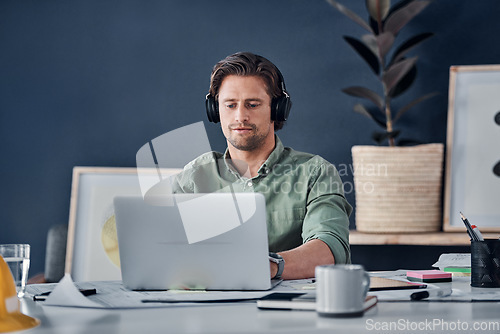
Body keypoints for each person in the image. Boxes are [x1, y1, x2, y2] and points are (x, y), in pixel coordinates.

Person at [173, 52, 352, 280]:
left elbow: (330, 249)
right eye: (230, 105)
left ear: (277, 109)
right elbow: (168, 248)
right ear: (214, 110)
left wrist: (269, 265)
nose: (240, 116)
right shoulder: (194, 177)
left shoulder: (316, 173)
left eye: (253, 104)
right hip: (209, 307)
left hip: (290, 310)